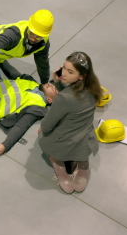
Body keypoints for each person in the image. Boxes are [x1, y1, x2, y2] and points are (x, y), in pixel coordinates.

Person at [37, 51, 103, 194]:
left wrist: (43, 126)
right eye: (64, 68)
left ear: (81, 76)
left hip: (65, 139)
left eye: (70, 71)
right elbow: (73, 99)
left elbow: (48, 124)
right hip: (85, 135)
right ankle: (82, 162)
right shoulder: (94, 88)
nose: (64, 73)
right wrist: (58, 83)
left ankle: (58, 163)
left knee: (42, 133)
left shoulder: (63, 98)